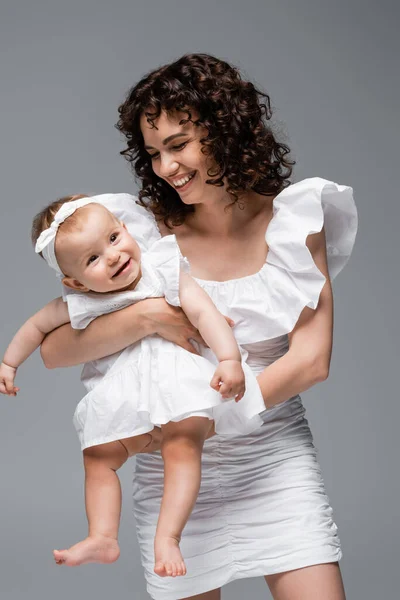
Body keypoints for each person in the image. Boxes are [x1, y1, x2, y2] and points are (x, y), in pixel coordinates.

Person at [40, 54, 358, 599]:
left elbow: (311, 360)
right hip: (172, 481)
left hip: (272, 459)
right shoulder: (139, 231)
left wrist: (210, 418)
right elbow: (53, 350)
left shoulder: (295, 220)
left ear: (225, 129)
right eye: (154, 152)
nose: (166, 167)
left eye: (179, 144)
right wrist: (147, 318)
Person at [0, 193, 265, 576]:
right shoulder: (81, 300)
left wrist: (229, 359)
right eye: (92, 259)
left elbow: (204, 312)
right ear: (74, 281)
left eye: (112, 239)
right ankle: (103, 536)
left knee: (181, 446)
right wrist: (9, 363)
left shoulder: (162, 270)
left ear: (125, 228)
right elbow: (36, 328)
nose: (112, 256)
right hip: (127, 399)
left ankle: (168, 537)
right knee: (98, 458)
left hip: (177, 387)